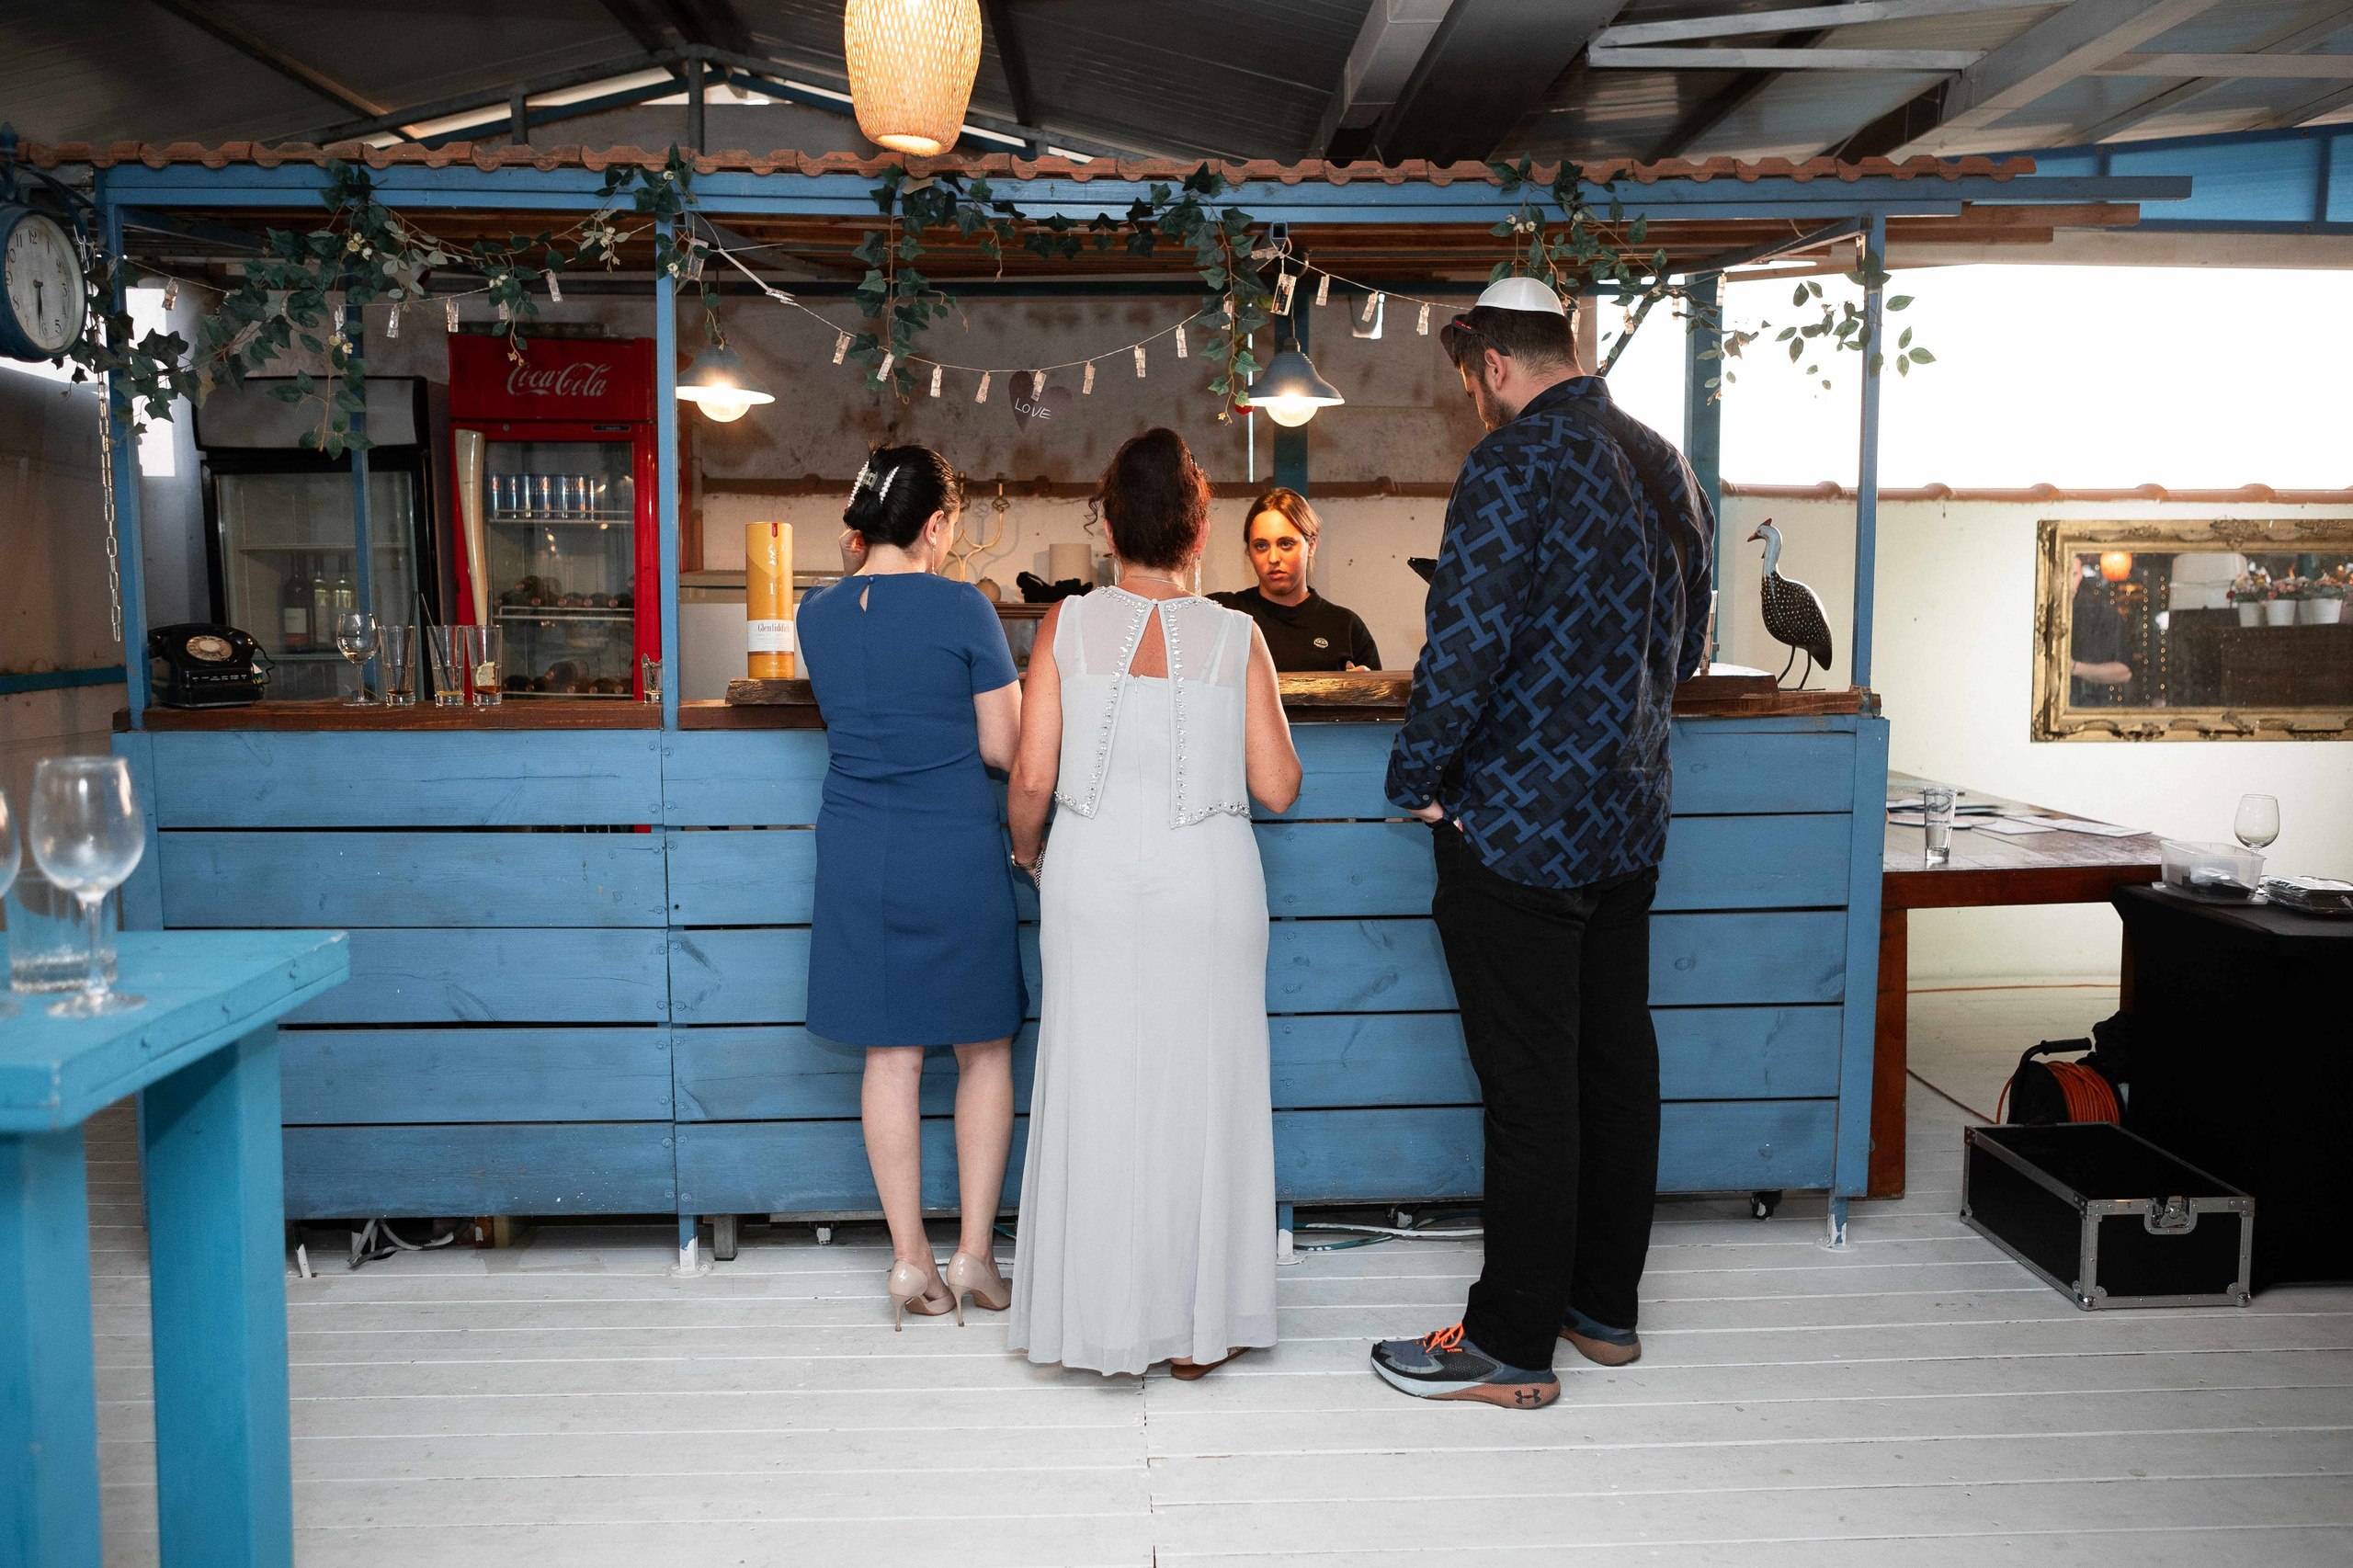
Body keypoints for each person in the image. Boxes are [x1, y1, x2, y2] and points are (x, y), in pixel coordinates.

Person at [1368, 277, 1713, 1409]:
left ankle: (1509, 1343)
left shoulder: (1510, 463)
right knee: (1616, 1065)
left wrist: (1418, 784)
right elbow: (1691, 645)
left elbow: (1460, 647)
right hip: (1628, 817)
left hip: (1514, 827)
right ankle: (1601, 1309)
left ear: (1498, 367)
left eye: (1473, 383)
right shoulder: (1665, 462)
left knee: (1529, 1090)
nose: (1475, 401)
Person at [1005, 427, 1302, 1379]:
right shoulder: (1236, 633)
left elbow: (1032, 776)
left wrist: (1027, 850)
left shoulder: (1063, 628)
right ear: (1200, 525)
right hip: (1205, 879)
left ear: (1106, 525)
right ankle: (1195, 1327)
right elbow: (1278, 784)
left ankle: (1095, 1315)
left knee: (1097, 1086)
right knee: (1202, 1091)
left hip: (1089, 874)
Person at [795, 446, 1028, 1329]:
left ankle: (909, 1263)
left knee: (888, 1054)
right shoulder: (963, 606)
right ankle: (974, 1255)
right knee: (983, 1047)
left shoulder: (817, 612)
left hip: (856, 846)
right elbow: (1006, 751)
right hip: (952, 847)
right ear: (937, 524)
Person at [1211, 488, 1382, 671]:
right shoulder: (1222, 613)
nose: (1273, 558)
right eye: (1261, 546)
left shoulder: (1345, 627)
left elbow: (1381, 696)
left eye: (1286, 544)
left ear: (1311, 545)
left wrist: (1364, 691)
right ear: (1249, 551)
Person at [2069, 555, 2133, 707]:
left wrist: (2073, 667)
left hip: (2091, 709)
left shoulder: (2102, 613)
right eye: (2062, 573)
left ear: (2081, 575)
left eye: (2073, 574)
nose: (2067, 582)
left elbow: (2124, 672)